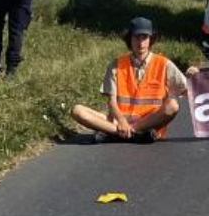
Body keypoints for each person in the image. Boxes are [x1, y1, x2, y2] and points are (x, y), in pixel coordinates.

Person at [71, 17, 199, 143]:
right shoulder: (116, 64)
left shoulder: (164, 64)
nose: (141, 43)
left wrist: (194, 78)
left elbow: (190, 93)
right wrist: (121, 120)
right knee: (78, 111)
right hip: (118, 123)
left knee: (173, 105)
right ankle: (132, 135)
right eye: (136, 37)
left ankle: (120, 133)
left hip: (149, 123)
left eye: (145, 37)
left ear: (151, 39)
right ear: (129, 39)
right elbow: (111, 102)